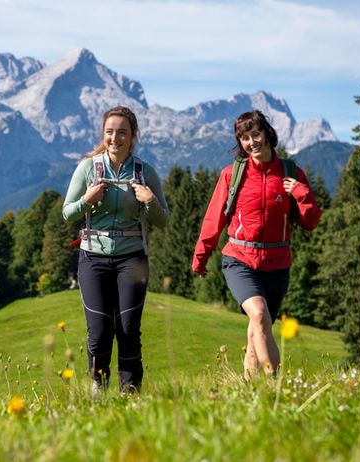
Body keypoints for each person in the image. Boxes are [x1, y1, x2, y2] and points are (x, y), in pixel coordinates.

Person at [192, 110, 321, 377]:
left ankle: (249, 390)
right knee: (260, 316)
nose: (251, 142)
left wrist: (302, 193)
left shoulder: (291, 173)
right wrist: (201, 257)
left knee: (257, 330)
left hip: (277, 265)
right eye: (244, 138)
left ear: (268, 134)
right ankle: (275, 386)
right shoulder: (233, 175)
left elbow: (310, 223)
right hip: (240, 259)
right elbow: (214, 218)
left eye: (256, 134)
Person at [63, 106, 169, 393]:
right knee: (98, 331)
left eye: (122, 132)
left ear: (133, 136)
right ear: (103, 134)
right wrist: (87, 199)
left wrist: (149, 200)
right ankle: (99, 384)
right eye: (110, 132)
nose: (115, 138)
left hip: (132, 258)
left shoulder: (145, 172)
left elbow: (163, 220)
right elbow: (67, 213)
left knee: (128, 329)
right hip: (92, 258)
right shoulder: (88, 168)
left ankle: (130, 392)